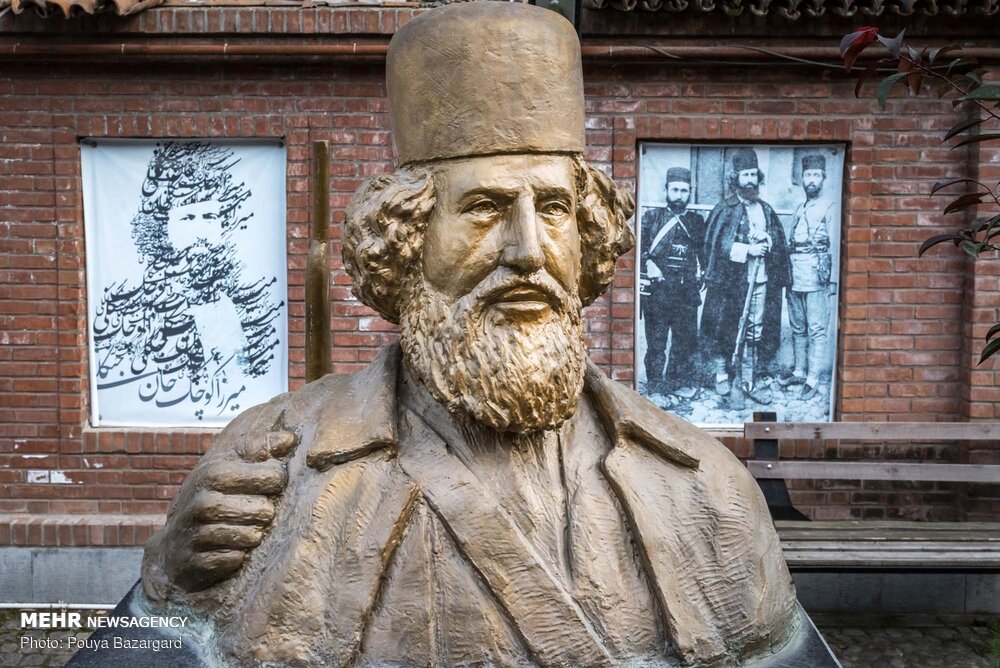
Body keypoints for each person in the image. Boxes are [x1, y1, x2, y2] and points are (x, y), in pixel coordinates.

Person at [135, 5, 800, 668]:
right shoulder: (274, 468)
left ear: (587, 237)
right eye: (484, 208)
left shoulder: (706, 488)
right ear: (407, 238)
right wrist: (173, 575)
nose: (528, 251)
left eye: (554, 208)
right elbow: (155, 642)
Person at [91, 142, 283, 418]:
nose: (200, 230)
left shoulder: (241, 307)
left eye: (210, 216)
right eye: (188, 217)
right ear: (163, 228)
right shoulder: (130, 315)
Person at [701, 148, 790, 408]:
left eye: (753, 175)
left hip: (759, 280)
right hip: (729, 283)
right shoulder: (724, 209)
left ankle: (748, 379)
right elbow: (714, 246)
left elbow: (778, 243)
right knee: (724, 325)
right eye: (745, 175)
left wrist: (767, 240)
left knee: (754, 328)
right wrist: (747, 250)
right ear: (736, 178)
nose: (750, 180)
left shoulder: (766, 210)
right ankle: (721, 374)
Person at [639, 167, 705, 395]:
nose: (679, 195)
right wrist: (648, 261)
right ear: (665, 190)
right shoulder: (652, 218)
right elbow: (638, 247)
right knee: (656, 342)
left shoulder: (696, 221)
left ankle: (676, 384)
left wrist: (702, 272)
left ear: (690, 192)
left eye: (684, 191)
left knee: (683, 341)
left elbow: (704, 252)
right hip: (658, 289)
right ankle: (656, 386)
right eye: (675, 190)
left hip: (686, 290)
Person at [781, 154, 837, 400]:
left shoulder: (829, 206)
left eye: (816, 175)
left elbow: (834, 244)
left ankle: (813, 378)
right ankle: (799, 371)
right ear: (802, 179)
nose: (811, 180)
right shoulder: (800, 207)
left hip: (816, 274)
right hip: (795, 273)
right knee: (798, 326)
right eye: (807, 175)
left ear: (823, 178)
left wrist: (833, 280)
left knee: (816, 328)